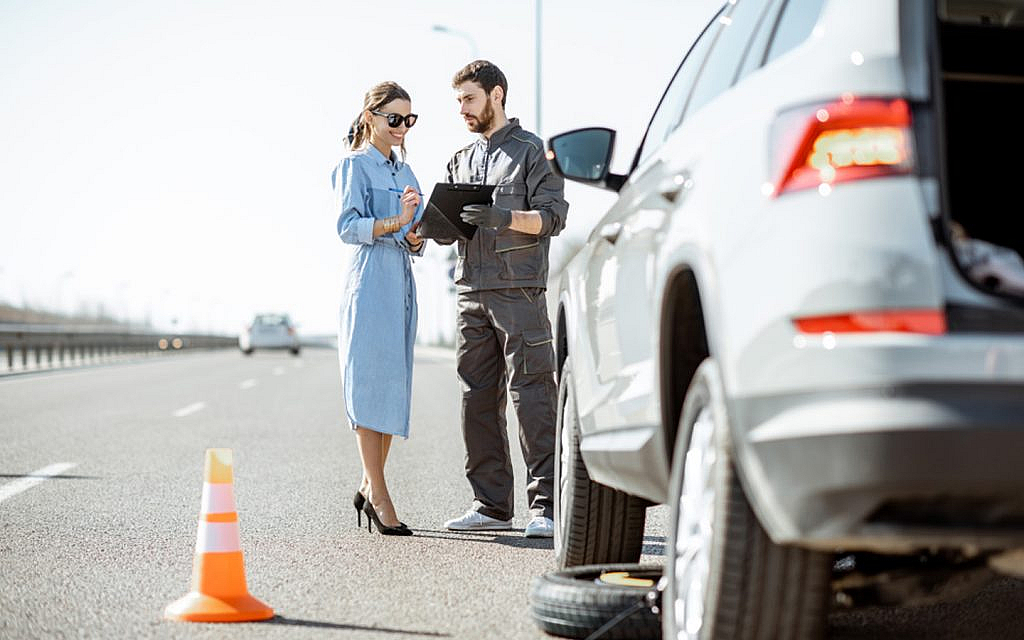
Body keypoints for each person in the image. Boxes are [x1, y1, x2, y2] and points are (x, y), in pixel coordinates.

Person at [437, 60, 568, 538]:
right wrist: (436, 227)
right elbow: (453, 227)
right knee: (476, 400)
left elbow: (553, 217)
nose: (463, 110)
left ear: (496, 95)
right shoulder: (460, 159)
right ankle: (491, 506)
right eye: (458, 102)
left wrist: (505, 218)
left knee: (533, 394)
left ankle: (550, 506)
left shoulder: (533, 152)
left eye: (469, 99)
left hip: (519, 292)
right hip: (470, 290)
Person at [333, 81, 424, 536]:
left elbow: (416, 233)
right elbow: (348, 227)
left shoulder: (406, 173)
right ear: (371, 117)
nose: (402, 128)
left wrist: (414, 235)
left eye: (409, 119)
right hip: (369, 281)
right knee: (369, 385)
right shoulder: (354, 165)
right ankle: (381, 494)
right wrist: (397, 222)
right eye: (394, 119)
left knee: (391, 387)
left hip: (401, 280)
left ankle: (368, 485)